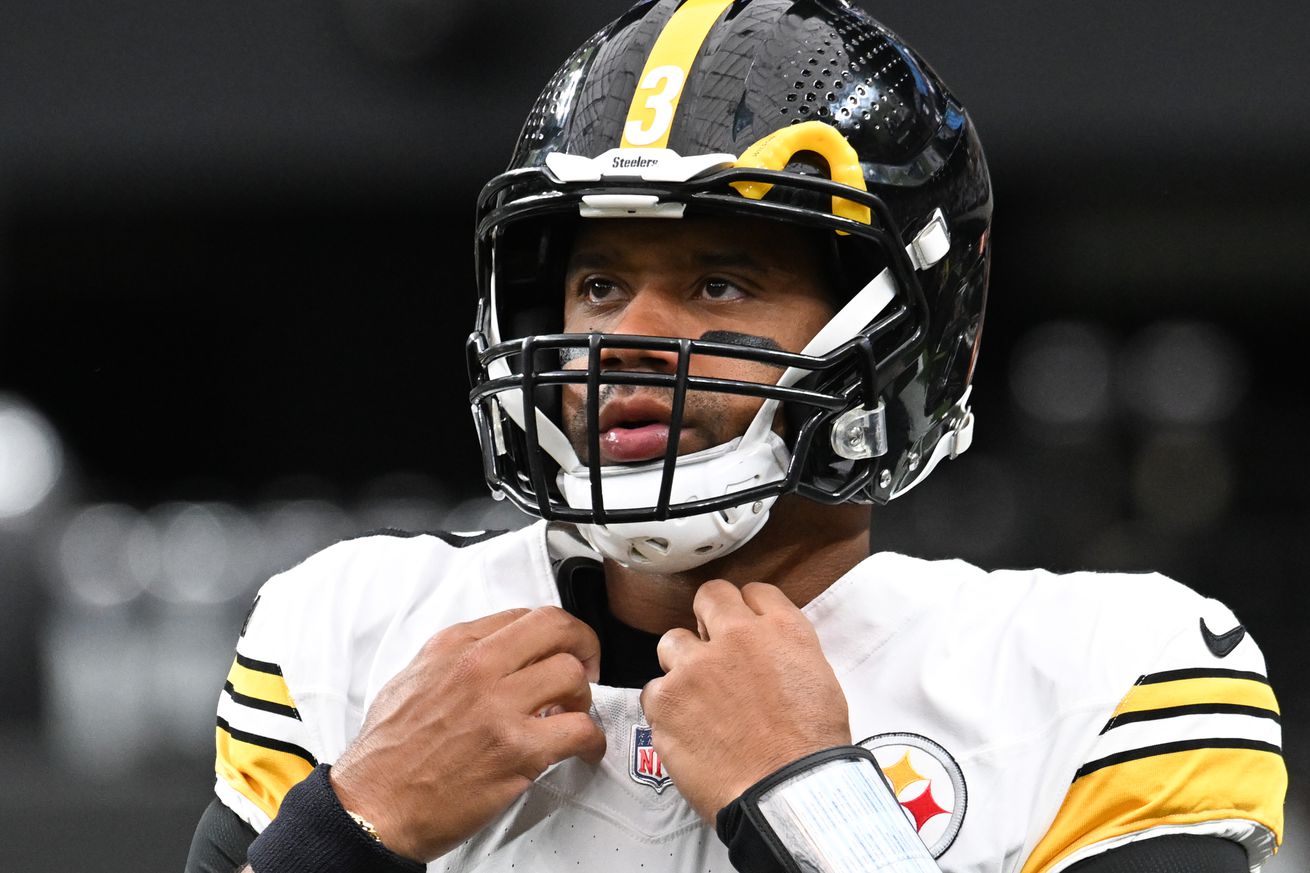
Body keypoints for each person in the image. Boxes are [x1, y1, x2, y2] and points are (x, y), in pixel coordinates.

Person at [185, 1, 1286, 871]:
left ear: (902, 331)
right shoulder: (351, 638)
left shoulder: (1100, 672)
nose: (628, 339)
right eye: (599, 281)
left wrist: (809, 812)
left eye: (718, 282)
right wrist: (351, 827)